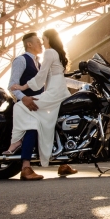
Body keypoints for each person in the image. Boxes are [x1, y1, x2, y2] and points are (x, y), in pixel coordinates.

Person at [7, 30, 77, 180]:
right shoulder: (21, 60)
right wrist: (24, 97)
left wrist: (82, 85)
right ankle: (26, 168)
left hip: (41, 101)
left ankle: (62, 162)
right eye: (38, 41)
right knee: (33, 128)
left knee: (57, 125)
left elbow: (56, 79)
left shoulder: (40, 62)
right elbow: (12, 85)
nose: (41, 43)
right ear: (29, 44)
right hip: (28, 102)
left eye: (42, 40)